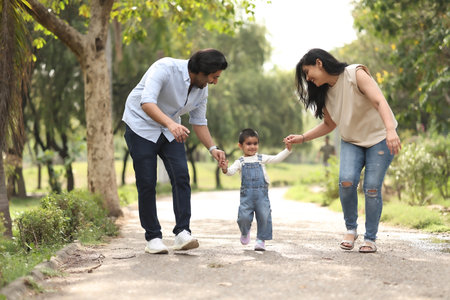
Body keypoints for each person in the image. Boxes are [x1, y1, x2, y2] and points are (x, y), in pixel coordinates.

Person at [284, 48, 401, 253]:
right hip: (351, 140)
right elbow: (329, 125)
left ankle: (370, 238)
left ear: (319, 63)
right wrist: (302, 138)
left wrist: (391, 130)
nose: (307, 78)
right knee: (346, 181)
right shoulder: (324, 92)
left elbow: (379, 101)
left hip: (380, 138)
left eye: (307, 72)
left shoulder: (355, 74)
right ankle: (351, 229)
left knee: (372, 188)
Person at [123, 49, 227, 254]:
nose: (215, 82)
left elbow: (198, 121)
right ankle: (152, 237)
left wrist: (212, 148)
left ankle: (182, 233)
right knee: (147, 182)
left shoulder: (201, 88)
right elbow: (147, 102)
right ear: (202, 71)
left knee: (181, 176)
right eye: (214, 77)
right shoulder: (164, 68)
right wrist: (171, 124)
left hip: (170, 130)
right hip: (140, 126)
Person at [220, 128, 292, 251]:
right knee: (243, 217)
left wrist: (288, 149)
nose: (252, 146)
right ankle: (244, 231)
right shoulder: (240, 161)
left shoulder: (261, 158)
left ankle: (260, 240)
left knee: (264, 216)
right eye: (248, 143)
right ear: (240, 145)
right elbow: (230, 172)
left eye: (255, 143)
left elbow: (276, 158)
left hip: (261, 195)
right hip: (246, 195)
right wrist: (225, 169)